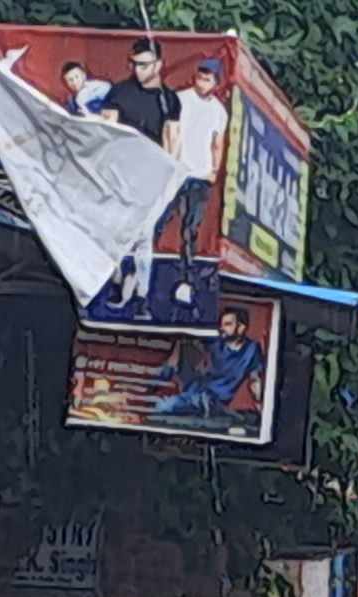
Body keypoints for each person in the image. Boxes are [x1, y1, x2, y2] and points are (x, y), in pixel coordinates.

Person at [149, 302, 266, 428]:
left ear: (241, 327)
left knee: (163, 406)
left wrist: (260, 403)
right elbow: (190, 342)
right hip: (197, 388)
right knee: (183, 344)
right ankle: (157, 382)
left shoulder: (252, 349)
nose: (222, 328)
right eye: (221, 324)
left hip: (213, 399)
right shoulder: (215, 341)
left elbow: (255, 378)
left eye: (227, 324)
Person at [166, 56, 231, 257]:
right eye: (200, 77)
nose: (202, 83)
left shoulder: (219, 111)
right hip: (178, 169)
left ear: (216, 83)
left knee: (191, 225)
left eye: (207, 79)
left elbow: (217, 143)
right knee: (163, 216)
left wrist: (214, 171)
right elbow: (170, 131)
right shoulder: (180, 98)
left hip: (201, 174)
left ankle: (187, 271)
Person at [100, 40, 176, 143]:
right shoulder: (119, 93)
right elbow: (106, 131)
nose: (137, 70)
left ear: (158, 65)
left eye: (143, 65)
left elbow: (172, 139)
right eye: (133, 64)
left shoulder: (168, 99)